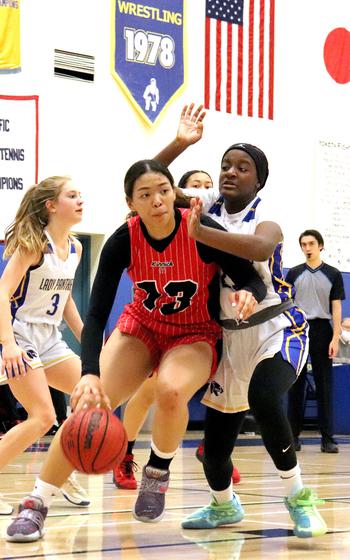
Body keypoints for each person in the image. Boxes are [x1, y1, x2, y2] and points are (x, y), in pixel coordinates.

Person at [6, 159, 266, 542]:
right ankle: (37, 502)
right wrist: (90, 372)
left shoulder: (199, 227)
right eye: (145, 194)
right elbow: (94, 315)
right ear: (131, 201)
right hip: (141, 326)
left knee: (171, 391)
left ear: (173, 193)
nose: (157, 200)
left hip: (193, 332)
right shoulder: (123, 238)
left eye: (163, 190)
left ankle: (157, 472)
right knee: (89, 405)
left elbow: (247, 276)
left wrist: (250, 293)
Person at [154, 103, 327, 538]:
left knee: (266, 400)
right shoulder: (206, 203)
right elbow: (150, 180)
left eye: (243, 167)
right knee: (214, 453)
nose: (231, 172)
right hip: (230, 338)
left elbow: (256, 248)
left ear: (259, 180)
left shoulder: (267, 216)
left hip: (277, 328)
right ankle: (223, 506)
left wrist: (198, 231)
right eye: (225, 164)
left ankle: (299, 499)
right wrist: (181, 141)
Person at [112, 169, 240, 490]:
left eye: (207, 186)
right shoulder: (160, 216)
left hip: (211, 320)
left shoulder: (218, 224)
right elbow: (146, 173)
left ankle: (214, 451)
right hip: (159, 313)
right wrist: (180, 143)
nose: (202, 190)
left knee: (227, 390)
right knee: (148, 392)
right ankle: (124, 454)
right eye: (195, 185)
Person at [0, 176, 89, 517]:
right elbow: (2, 292)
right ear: (52, 206)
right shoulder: (34, 245)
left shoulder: (76, 248)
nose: (80, 199)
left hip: (50, 338)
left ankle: (59, 469)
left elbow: (65, 301)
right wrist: (8, 345)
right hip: (19, 335)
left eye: (80, 194)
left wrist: (90, 342)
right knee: (42, 416)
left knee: (92, 396)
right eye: (72, 195)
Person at [286, 230, 345, 453]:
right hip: (299, 329)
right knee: (295, 385)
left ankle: (328, 439)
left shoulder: (333, 274)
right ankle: (293, 436)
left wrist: (335, 337)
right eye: (303, 244)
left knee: (324, 385)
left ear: (320, 246)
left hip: (322, 329)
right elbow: (287, 304)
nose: (307, 248)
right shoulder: (293, 273)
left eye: (311, 243)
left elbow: (336, 307)